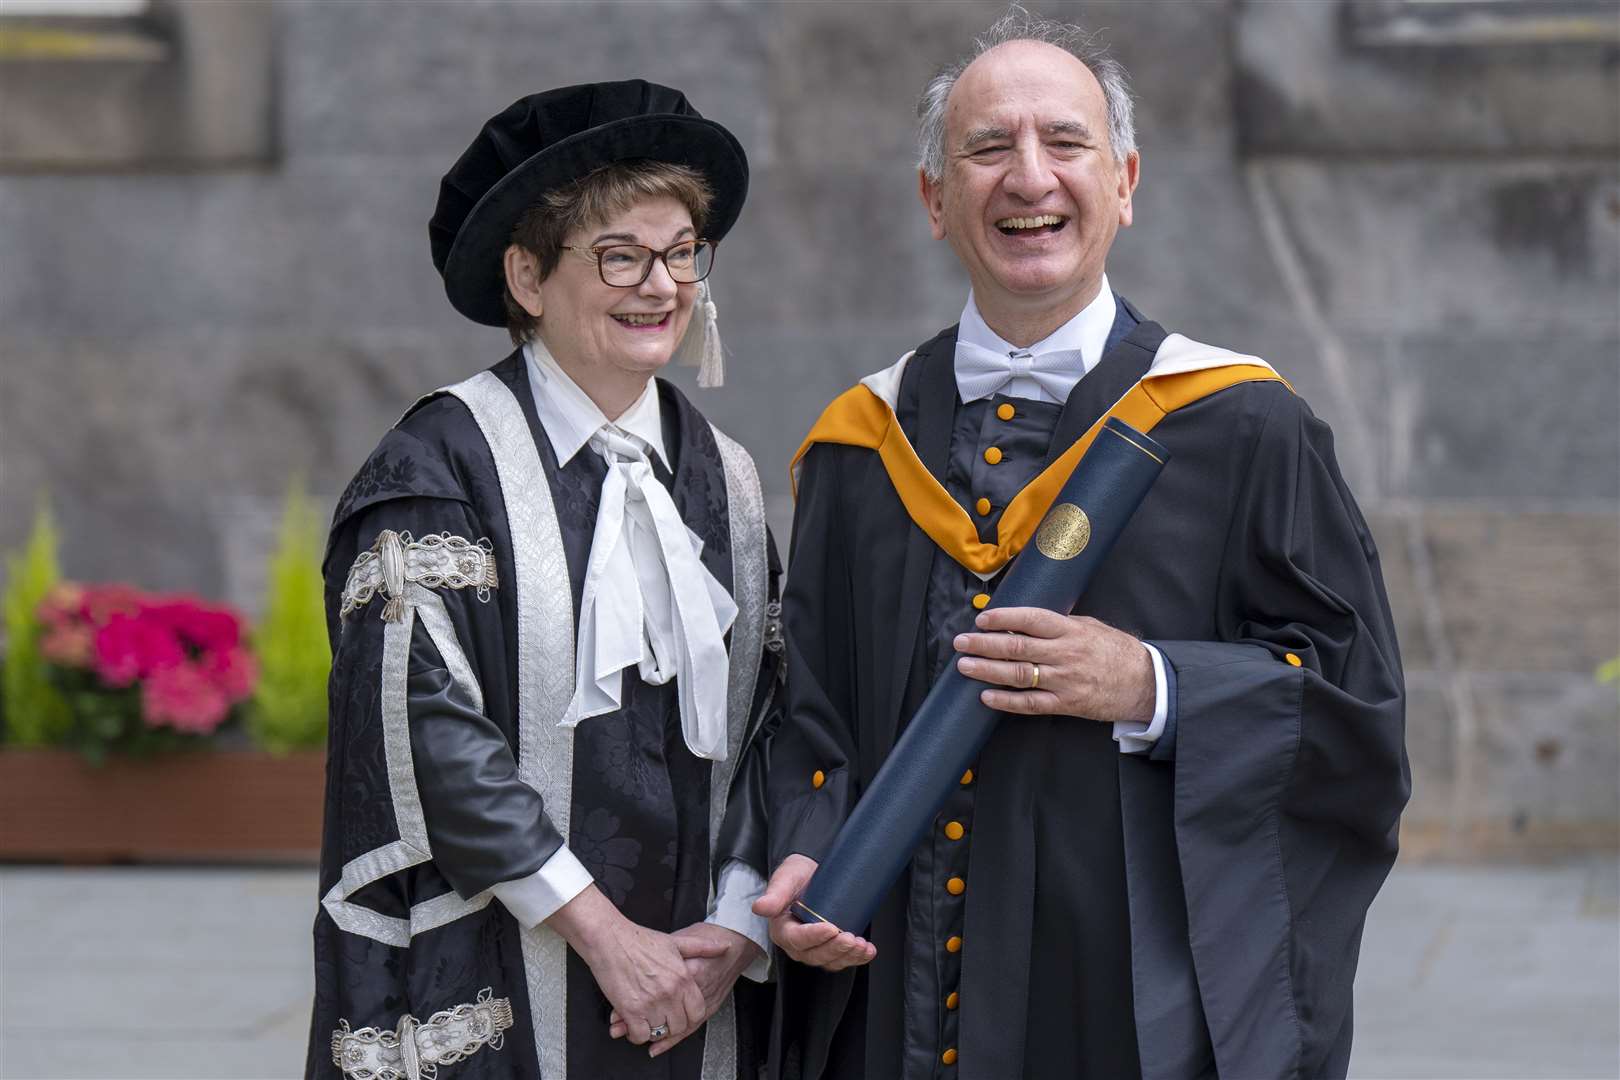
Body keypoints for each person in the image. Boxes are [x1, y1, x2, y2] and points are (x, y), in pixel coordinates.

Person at [753, 10, 1409, 1080]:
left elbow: (1355, 707)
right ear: (934, 199)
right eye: (986, 149)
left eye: (1066, 143)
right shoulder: (860, 449)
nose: (1029, 178)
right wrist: (803, 846)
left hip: (1125, 1000)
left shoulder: (1243, 427)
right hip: (898, 990)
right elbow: (808, 714)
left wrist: (1153, 683)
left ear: (1126, 181)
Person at [308, 81, 784, 1080]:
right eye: (619, 254)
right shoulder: (439, 468)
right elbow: (427, 737)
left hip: (700, 985)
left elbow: (779, 722)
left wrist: (733, 931)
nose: (660, 285)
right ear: (528, 277)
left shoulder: (726, 480)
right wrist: (609, 940)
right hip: (503, 970)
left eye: (682, 251)